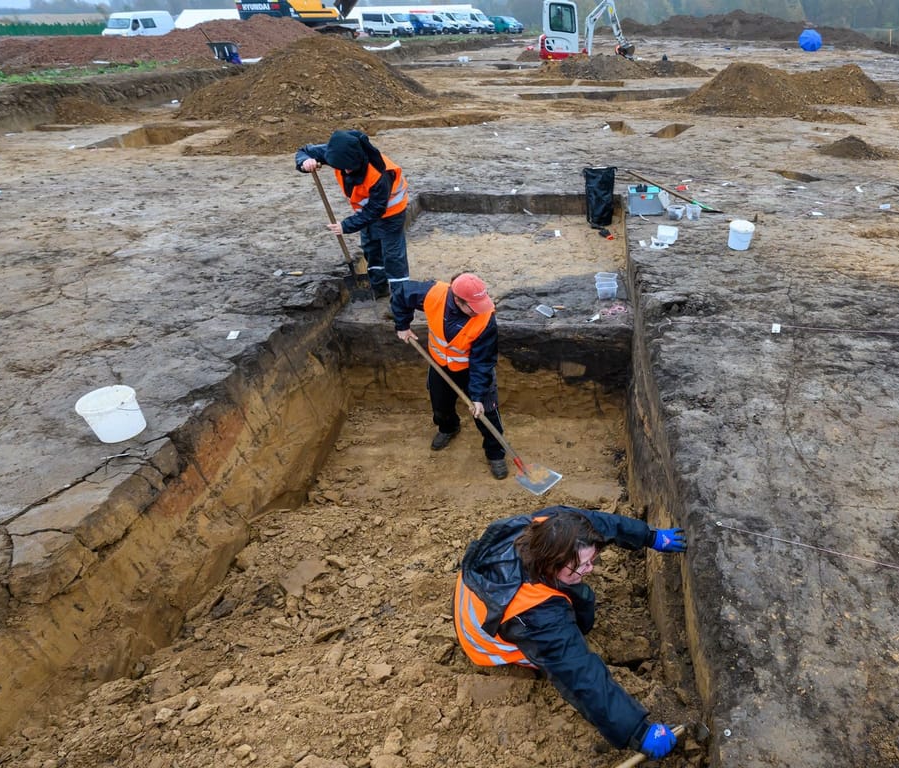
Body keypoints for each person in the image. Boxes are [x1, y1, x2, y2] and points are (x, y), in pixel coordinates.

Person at [454, 507, 688, 760]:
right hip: (488, 641)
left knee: (580, 597)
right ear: (550, 566)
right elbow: (580, 675)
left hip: (482, 594)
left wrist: (649, 537)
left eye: (591, 560)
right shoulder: (536, 615)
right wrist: (637, 731)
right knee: (566, 642)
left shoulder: (547, 525)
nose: (590, 569)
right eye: (580, 566)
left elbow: (600, 523)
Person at [392, 272, 507, 479]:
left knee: (486, 412)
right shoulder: (433, 294)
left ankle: (495, 453)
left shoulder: (485, 319)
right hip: (439, 365)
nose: (479, 311)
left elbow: (483, 361)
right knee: (440, 404)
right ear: (458, 300)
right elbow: (401, 294)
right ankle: (448, 428)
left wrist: (478, 396)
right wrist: (402, 325)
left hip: (472, 371)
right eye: (473, 307)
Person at [294, 130, 410, 300]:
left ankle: (401, 298)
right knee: (371, 248)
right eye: (342, 168)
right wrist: (305, 162)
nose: (346, 171)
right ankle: (379, 287)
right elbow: (303, 151)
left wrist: (345, 226)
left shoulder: (379, 173)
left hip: (392, 212)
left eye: (349, 168)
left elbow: (376, 209)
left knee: (392, 254)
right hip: (365, 212)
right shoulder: (336, 152)